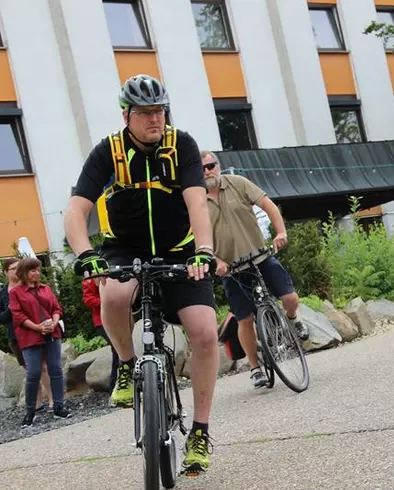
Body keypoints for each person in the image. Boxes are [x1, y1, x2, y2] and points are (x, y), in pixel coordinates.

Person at [63, 74, 218, 475]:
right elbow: (76, 210)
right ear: (126, 114)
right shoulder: (108, 152)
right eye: (146, 112)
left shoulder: (180, 144)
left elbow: (197, 202)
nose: (155, 119)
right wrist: (85, 254)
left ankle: (200, 432)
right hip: (124, 248)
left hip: (181, 249)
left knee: (203, 331)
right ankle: (128, 363)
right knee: (113, 296)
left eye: (160, 110)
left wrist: (203, 249)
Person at [200, 150, 309, 389]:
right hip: (231, 269)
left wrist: (281, 233)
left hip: (259, 256)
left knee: (290, 298)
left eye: (211, 165)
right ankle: (255, 368)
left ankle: (292, 321)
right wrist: (216, 262)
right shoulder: (197, 202)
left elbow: (268, 205)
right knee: (244, 319)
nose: (208, 171)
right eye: (203, 168)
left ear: (218, 165)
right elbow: (199, 241)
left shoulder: (238, 183)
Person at [9, 257, 71, 427]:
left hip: (52, 333)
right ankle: (30, 411)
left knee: (56, 369)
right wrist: (38, 327)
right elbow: (18, 316)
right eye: (32, 270)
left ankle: (59, 406)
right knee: (33, 372)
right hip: (30, 336)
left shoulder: (46, 289)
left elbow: (57, 309)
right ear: (24, 272)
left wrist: (54, 321)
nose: (36, 273)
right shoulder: (16, 293)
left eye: (37, 269)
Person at [0, 258, 53, 412]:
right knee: (29, 369)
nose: (17, 270)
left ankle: (52, 399)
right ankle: (36, 403)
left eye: (19, 267)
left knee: (42, 366)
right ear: (5, 272)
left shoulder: (29, 287)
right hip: (15, 336)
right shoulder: (3, 293)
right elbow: (2, 318)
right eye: (13, 268)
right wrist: (12, 308)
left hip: (35, 331)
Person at [82, 277, 119, 393]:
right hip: (101, 320)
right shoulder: (90, 280)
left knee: (118, 350)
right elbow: (88, 300)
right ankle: (114, 386)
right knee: (118, 349)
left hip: (117, 317)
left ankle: (116, 385)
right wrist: (105, 301)